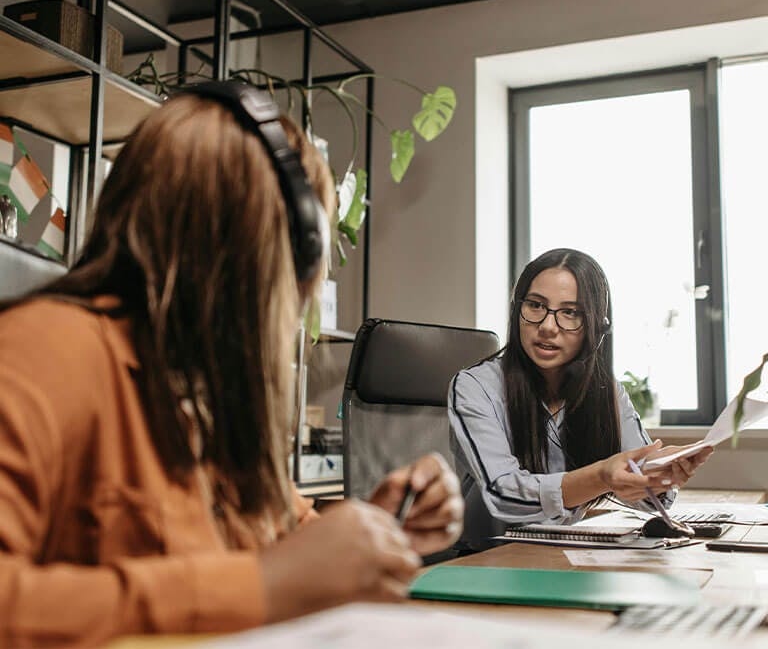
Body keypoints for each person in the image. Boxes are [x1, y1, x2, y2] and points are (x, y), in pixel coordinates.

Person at [0, 82, 463, 646]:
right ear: (268, 257)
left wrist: (381, 532)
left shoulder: (207, 394)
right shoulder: (43, 351)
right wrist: (264, 584)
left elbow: (290, 538)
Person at [447, 248, 711, 547]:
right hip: (485, 563)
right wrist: (602, 476)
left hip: (568, 555)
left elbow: (646, 500)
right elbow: (503, 493)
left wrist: (658, 476)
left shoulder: (606, 392)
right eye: (535, 305)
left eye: (570, 313)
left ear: (597, 328)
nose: (547, 327)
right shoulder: (475, 386)